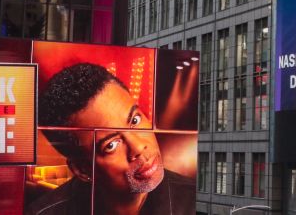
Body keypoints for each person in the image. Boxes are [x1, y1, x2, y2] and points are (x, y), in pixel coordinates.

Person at [26, 63, 195, 215]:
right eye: (111, 145)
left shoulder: (194, 200)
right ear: (83, 170)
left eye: (134, 120)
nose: (138, 147)